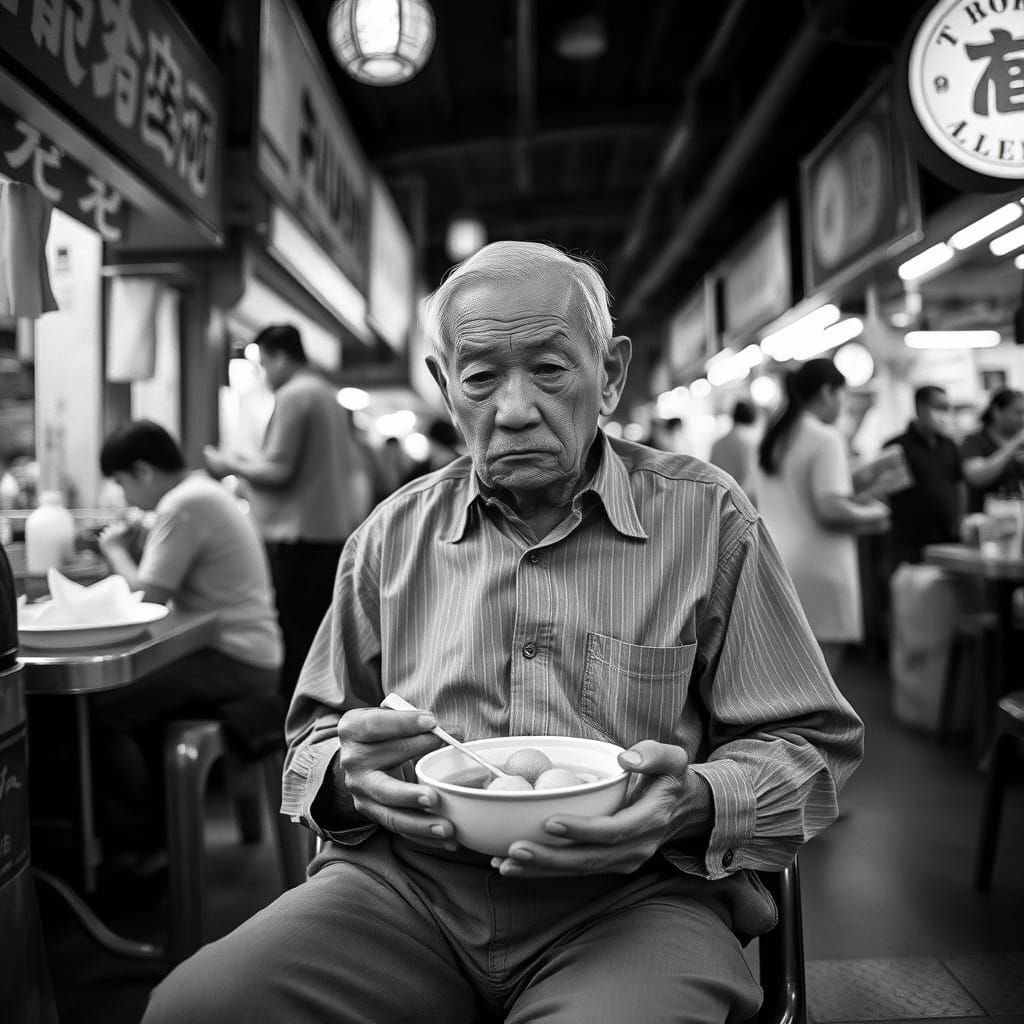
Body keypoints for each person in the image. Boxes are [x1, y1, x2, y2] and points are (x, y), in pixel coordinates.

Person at [144, 242, 864, 1024]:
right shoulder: (389, 539)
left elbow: (810, 743)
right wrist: (353, 780)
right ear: (444, 386)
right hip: (404, 894)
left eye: (551, 371)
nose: (514, 409)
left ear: (611, 374)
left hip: (635, 898)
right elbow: (313, 736)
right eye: (481, 376)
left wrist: (688, 801)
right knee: (196, 1006)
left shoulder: (708, 520)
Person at [93, 421, 282, 864]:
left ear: (142, 471)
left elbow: (147, 598)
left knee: (105, 712)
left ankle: (139, 850)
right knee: (127, 704)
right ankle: (151, 838)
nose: (123, 497)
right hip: (253, 654)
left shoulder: (184, 504)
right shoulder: (205, 493)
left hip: (235, 658)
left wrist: (115, 550)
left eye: (121, 483)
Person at [203, 324, 361, 701]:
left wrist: (229, 463)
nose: (265, 375)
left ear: (279, 357)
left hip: (297, 538)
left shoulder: (295, 394)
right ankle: (317, 719)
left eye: (264, 364)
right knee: (315, 639)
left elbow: (278, 470)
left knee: (294, 640)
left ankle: (293, 731)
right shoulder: (326, 392)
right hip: (327, 535)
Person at [754, 359, 889, 675]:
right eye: (843, 395)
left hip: (777, 564)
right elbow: (829, 508)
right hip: (821, 570)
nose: (843, 405)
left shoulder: (774, 436)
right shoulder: (825, 438)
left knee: (786, 678)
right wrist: (875, 514)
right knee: (818, 683)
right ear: (828, 392)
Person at [882, 385, 963, 569]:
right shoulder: (896, 447)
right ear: (920, 407)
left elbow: (959, 483)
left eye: (946, 407)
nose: (944, 413)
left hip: (947, 540)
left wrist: (960, 518)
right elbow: (882, 493)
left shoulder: (949, 445)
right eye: (938, 407)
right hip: (909, 544)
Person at [960, 386, 1024, 512]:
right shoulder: (975, 441)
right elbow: (976, 476)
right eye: (1018, 413)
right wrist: (1013, 445)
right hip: (985, 520)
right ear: (997, 411)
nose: (1023, 419)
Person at [708, 399, 757, 493]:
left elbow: (710, 473)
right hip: (740, 499)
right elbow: (748, 478)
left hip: (719, 497)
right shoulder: (747, 444)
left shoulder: (717, 444)